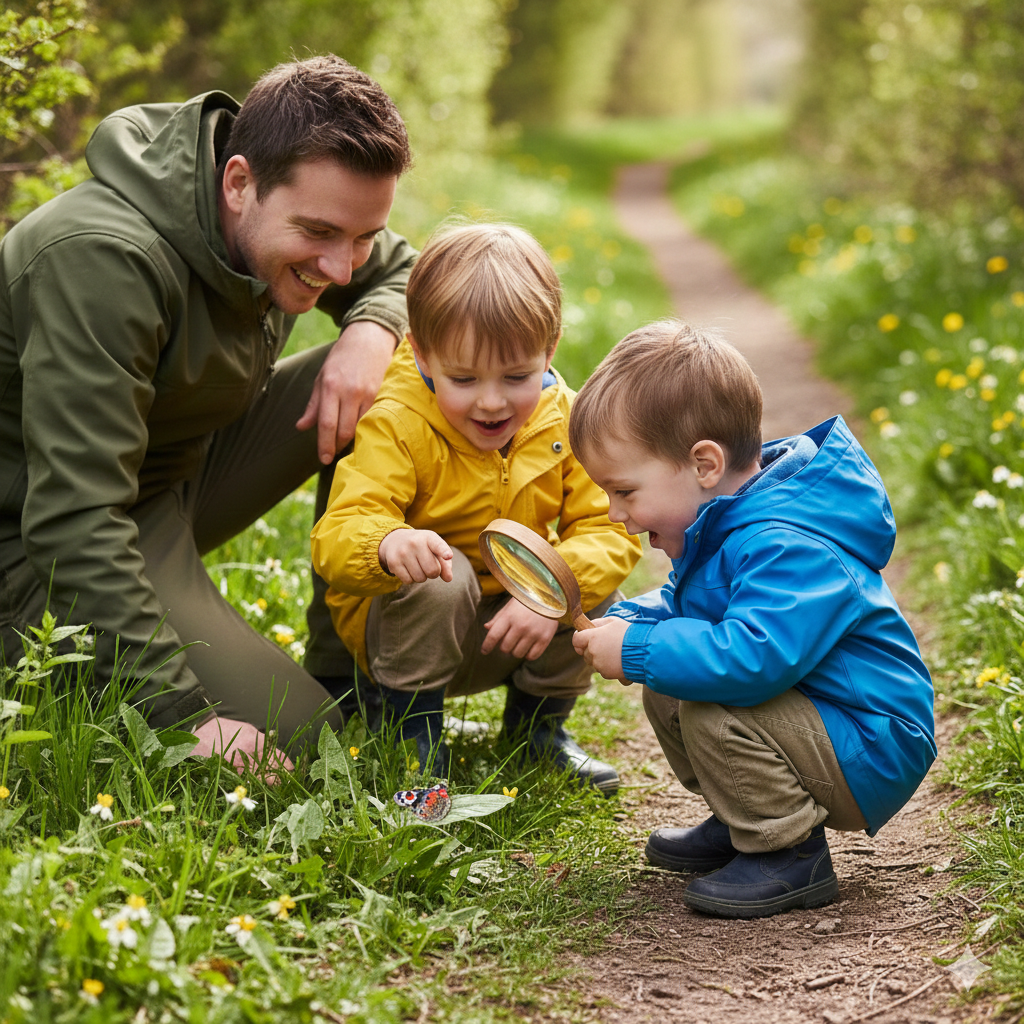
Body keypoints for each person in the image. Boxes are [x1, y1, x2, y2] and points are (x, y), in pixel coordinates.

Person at [0, 55, 417, 769]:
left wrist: (373, 329)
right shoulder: (102, 260)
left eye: (361, 238)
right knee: (300, 737)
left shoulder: (283, 218)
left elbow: (409, 273)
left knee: (406, 370)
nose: (342, 267)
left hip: (168, 477)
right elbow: (73, 515)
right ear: (238, 182)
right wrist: (182, 715)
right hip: (42, 529)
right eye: (319, 233)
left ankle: (351, 673)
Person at [569, 320, 936, 916]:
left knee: (712, 703)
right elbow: (694, 608)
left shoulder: (784, 543)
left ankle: (789, 853)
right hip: (825, 722)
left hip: (873, 738)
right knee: (670, 689)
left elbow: (753, 658)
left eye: (625, 492)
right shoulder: (727, 519)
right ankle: (743, 817)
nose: (617, 515)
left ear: (704, 465)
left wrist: (637, 650)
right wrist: (629, 620)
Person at [310, 223, 642, 791]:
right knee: (443, 577)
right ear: (421, 352)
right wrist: (388, 543)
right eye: (463, 379)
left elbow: (610, 527)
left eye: (517, 376)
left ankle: (538, 729)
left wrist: (547, 595)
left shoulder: (567, 416)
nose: (492, 402)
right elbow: (338, 532)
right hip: (404, 631)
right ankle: (410, 738)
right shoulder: (399, 419)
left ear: (550, 349)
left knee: (595, 590)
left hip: (510, 625)